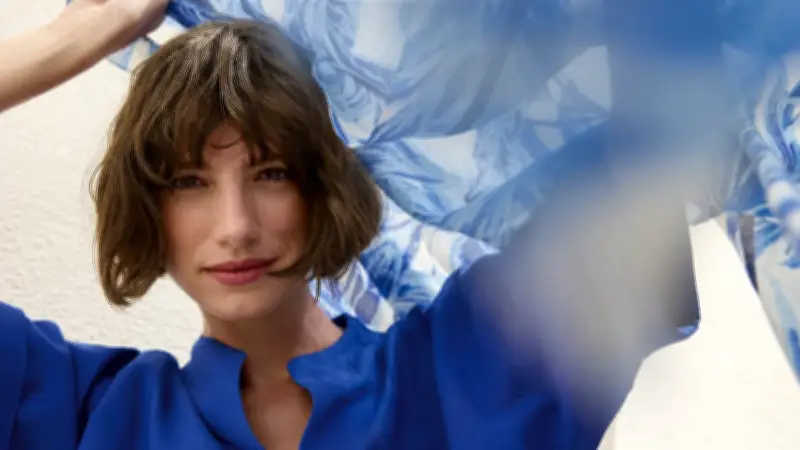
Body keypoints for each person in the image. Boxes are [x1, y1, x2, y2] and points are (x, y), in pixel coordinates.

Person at [0, 3, 699, 450]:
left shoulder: (462, 369)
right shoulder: (85, 414)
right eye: (189, 182)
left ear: (323, 185)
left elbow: (662, 126)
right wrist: (82, 31)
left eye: (272, 172)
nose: (236, 226)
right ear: (149, 207)